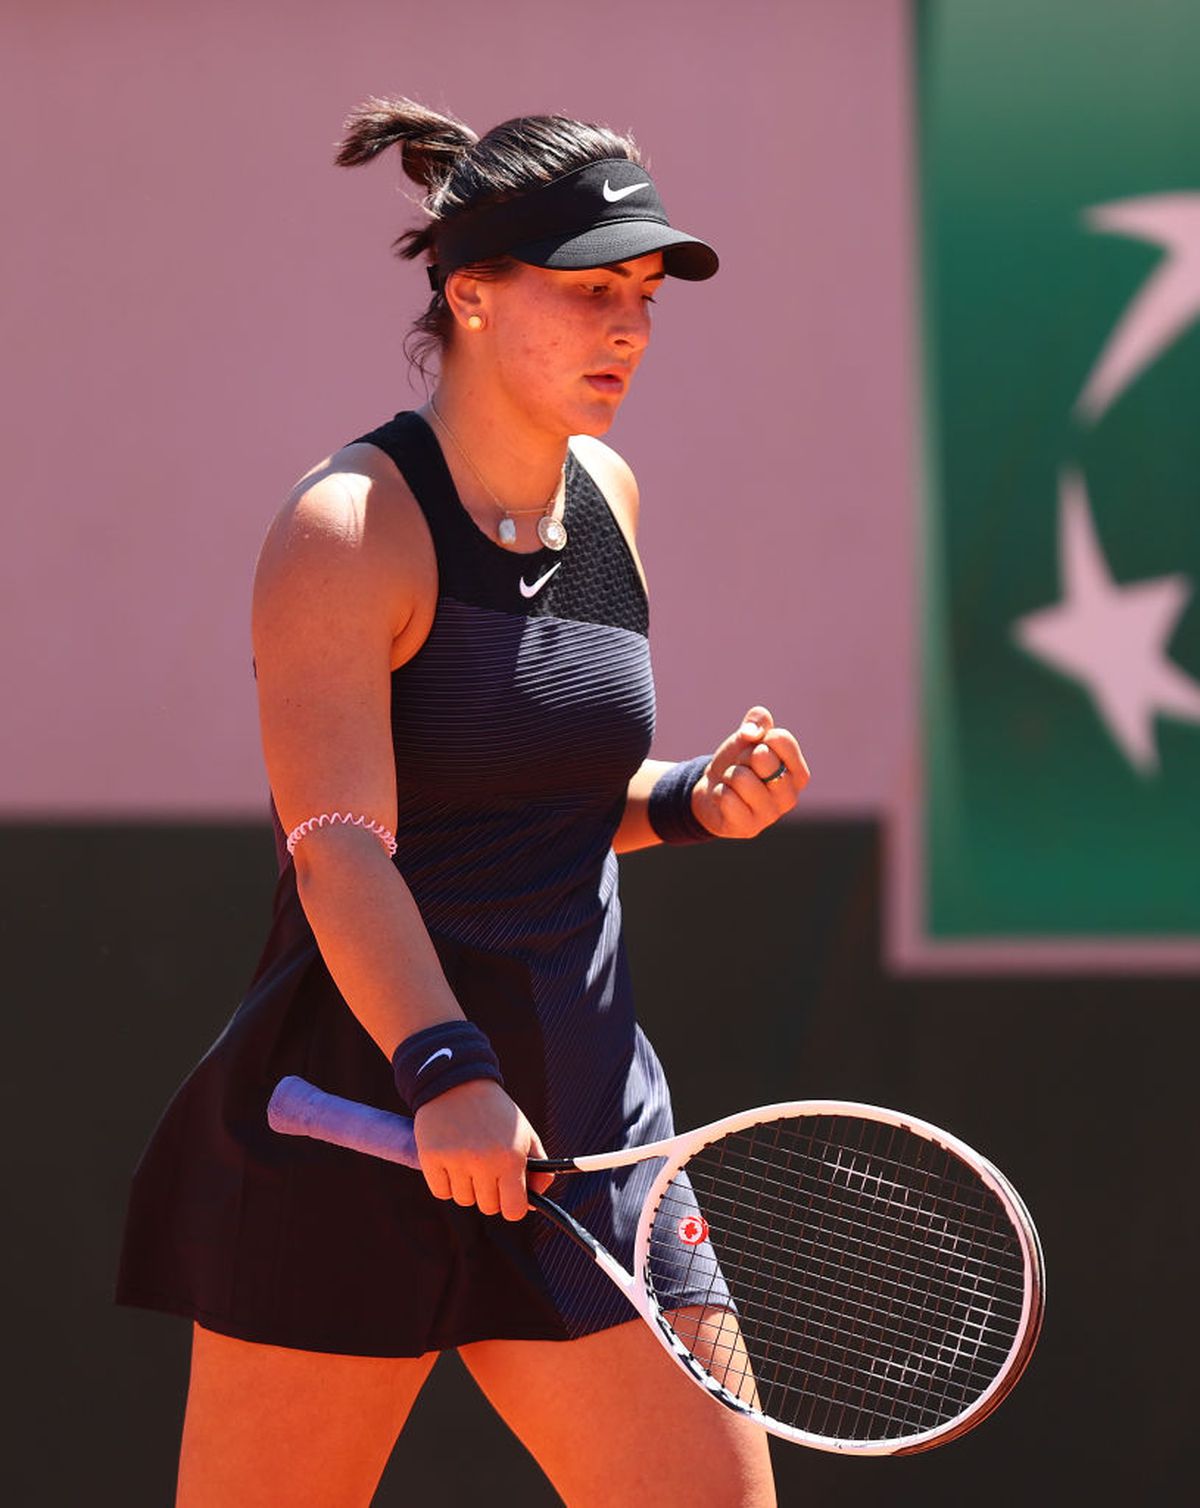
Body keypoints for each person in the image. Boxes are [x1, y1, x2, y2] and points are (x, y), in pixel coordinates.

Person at [118, 95, 809, 1507]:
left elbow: (535, 798)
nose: (630, 327)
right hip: (361, 1115)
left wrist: (690, 801)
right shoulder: (348, 528)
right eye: (590, 290)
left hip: (589, 1128)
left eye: (644, 294)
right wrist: (447, 1071)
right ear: (471, 294)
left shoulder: (606, 495)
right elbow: (341, 846)